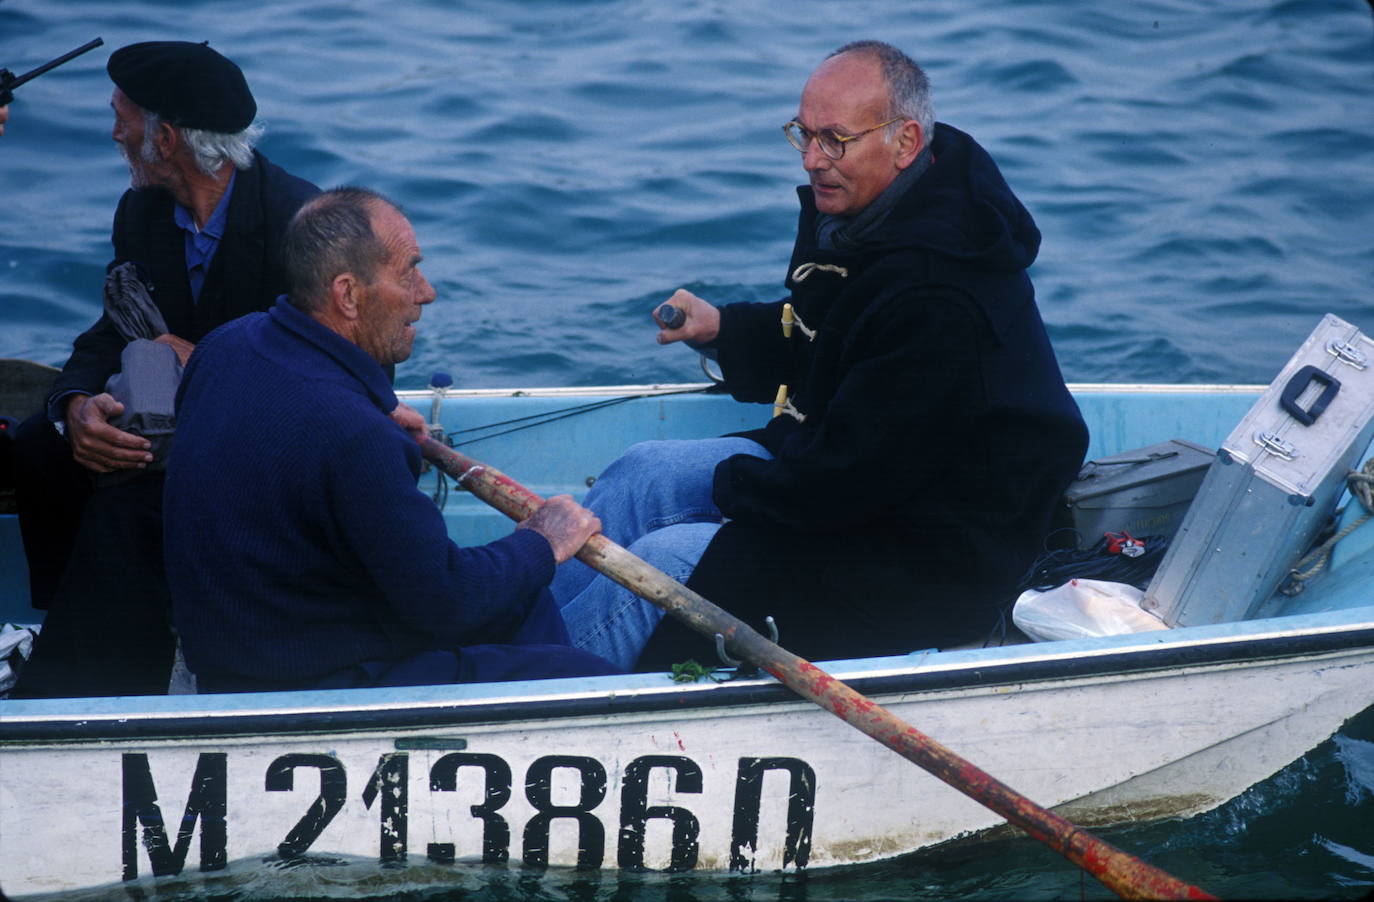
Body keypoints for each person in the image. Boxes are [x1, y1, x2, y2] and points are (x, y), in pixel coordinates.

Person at [552, 40, 1089, 671]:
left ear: (905, 142)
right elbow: (833, 337)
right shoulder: (889, 216)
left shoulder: (939, 295)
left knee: (670, 559)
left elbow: (841, 488)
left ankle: (525, 686)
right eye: (803, 135)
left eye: (834, 140)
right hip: (862, 485)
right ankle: (502, 629)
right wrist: (725, 329)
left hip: (933, 560)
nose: (812, 160)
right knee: (646, 472)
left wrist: (730, 489)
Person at [162, 187, 618, 692]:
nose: (426, 292)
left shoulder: (227, 345)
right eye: (409, 272)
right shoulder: (354, 435)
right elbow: (448, 601)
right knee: (586, 678)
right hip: (301, 677)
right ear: (348, 295)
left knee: (522, 599)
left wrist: (371, 406)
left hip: (238, 638)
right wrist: (541, 541)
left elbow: (294, 418)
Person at [10, 41, 321, 698]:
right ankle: (72, 624)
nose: (115, 132)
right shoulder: (143, 209)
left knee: (130, 501)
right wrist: (74, 406)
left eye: (122, 116)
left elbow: (321, 380)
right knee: (42, 444)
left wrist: (206, 360)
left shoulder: (300, 224)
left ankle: (97, 684)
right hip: (165, 420)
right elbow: (109, 331)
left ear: (168, 138)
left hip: (261, 443)